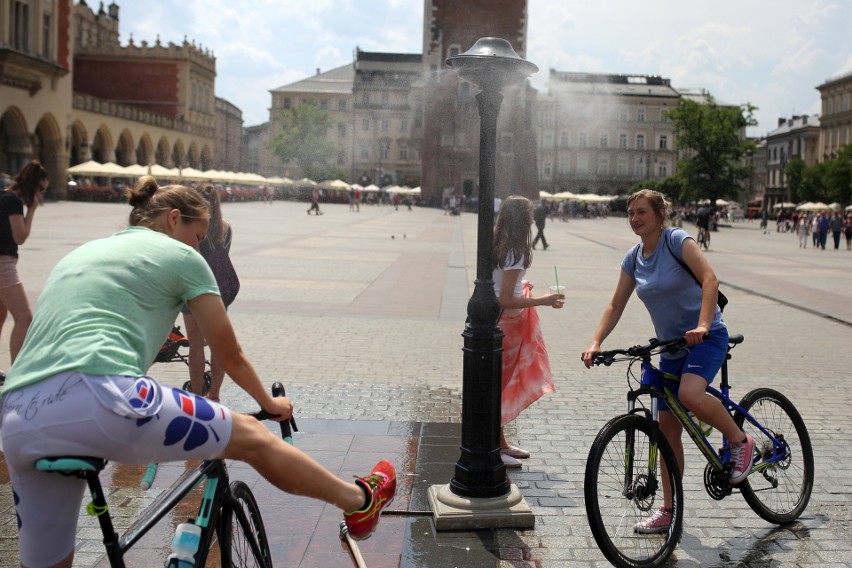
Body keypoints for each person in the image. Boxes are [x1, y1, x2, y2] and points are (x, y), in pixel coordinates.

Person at [0, 176, 395, 567]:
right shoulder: (182, 256)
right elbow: (230, 353)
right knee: (253, 436)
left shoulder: (83, 253)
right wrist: (269, 403)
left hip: (18, 414)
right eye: (197, 237)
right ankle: (360, 501)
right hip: (102, 398)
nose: (199, 247)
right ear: (174, 219)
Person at [581, 189, 754, 534]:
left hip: (707, 337)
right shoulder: (633, 257)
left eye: (641, 212)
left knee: (690, 394)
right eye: (630, 213)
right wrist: (597, 340)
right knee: (666, 431)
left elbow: (710, 279)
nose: (635, 218)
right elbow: (616, 304)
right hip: (672, 347)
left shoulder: (677, 240)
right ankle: (668, 510)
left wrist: (703, 324)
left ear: (660, 215)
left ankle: (740, 441)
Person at [493, 196, 563, 468]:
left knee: (498, 385)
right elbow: (505, 300)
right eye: (531, 213)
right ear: (522, 218)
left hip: (500, 322)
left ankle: (501, 444)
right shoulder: (515, 250)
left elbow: (503, 287)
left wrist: (522, 285)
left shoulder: (499, 242)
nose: (534, 217)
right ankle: (493, 449)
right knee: (500, 386)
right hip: (505, 325)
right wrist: (543, 300)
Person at [183, 183, 237, 401]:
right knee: (217, 343)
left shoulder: (191, 226)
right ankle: (214, 393)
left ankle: (196, 395)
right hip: (217, 290)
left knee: (195, 344)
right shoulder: (225, 227)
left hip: (192, 288)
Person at [0, 160, 47, 373]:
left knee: (1, 316)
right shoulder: (13, 200)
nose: (42, 194)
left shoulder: (4, 195)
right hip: (3, 264)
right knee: (24, 318)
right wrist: (32, 210)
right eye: (42, 189)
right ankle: (17, 374)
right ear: (34, 186)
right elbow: (20, 237)